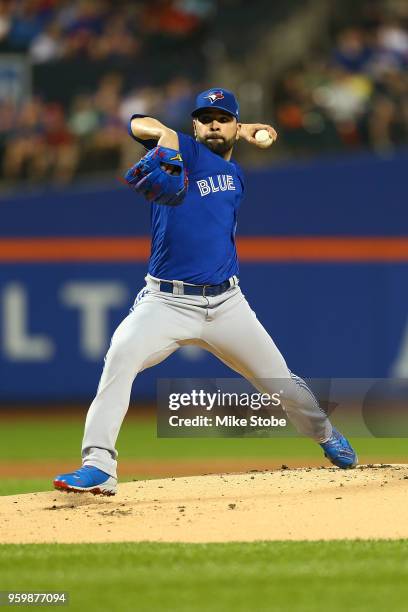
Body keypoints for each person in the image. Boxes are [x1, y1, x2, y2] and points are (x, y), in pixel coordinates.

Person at [54, 88, 357, 496]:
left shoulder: (236, 176)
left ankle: (325, 435)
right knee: (121, 357)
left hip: (227, 304)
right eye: (205, 117)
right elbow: (137, 123)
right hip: (166, 301)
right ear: (193, 126)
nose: (213, 123)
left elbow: (224, 151)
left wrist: (243, 131)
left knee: (281, 384)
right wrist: (171, 138)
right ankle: (99, 465)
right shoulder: (185, 152)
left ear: (234, 124)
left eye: (223, 117)